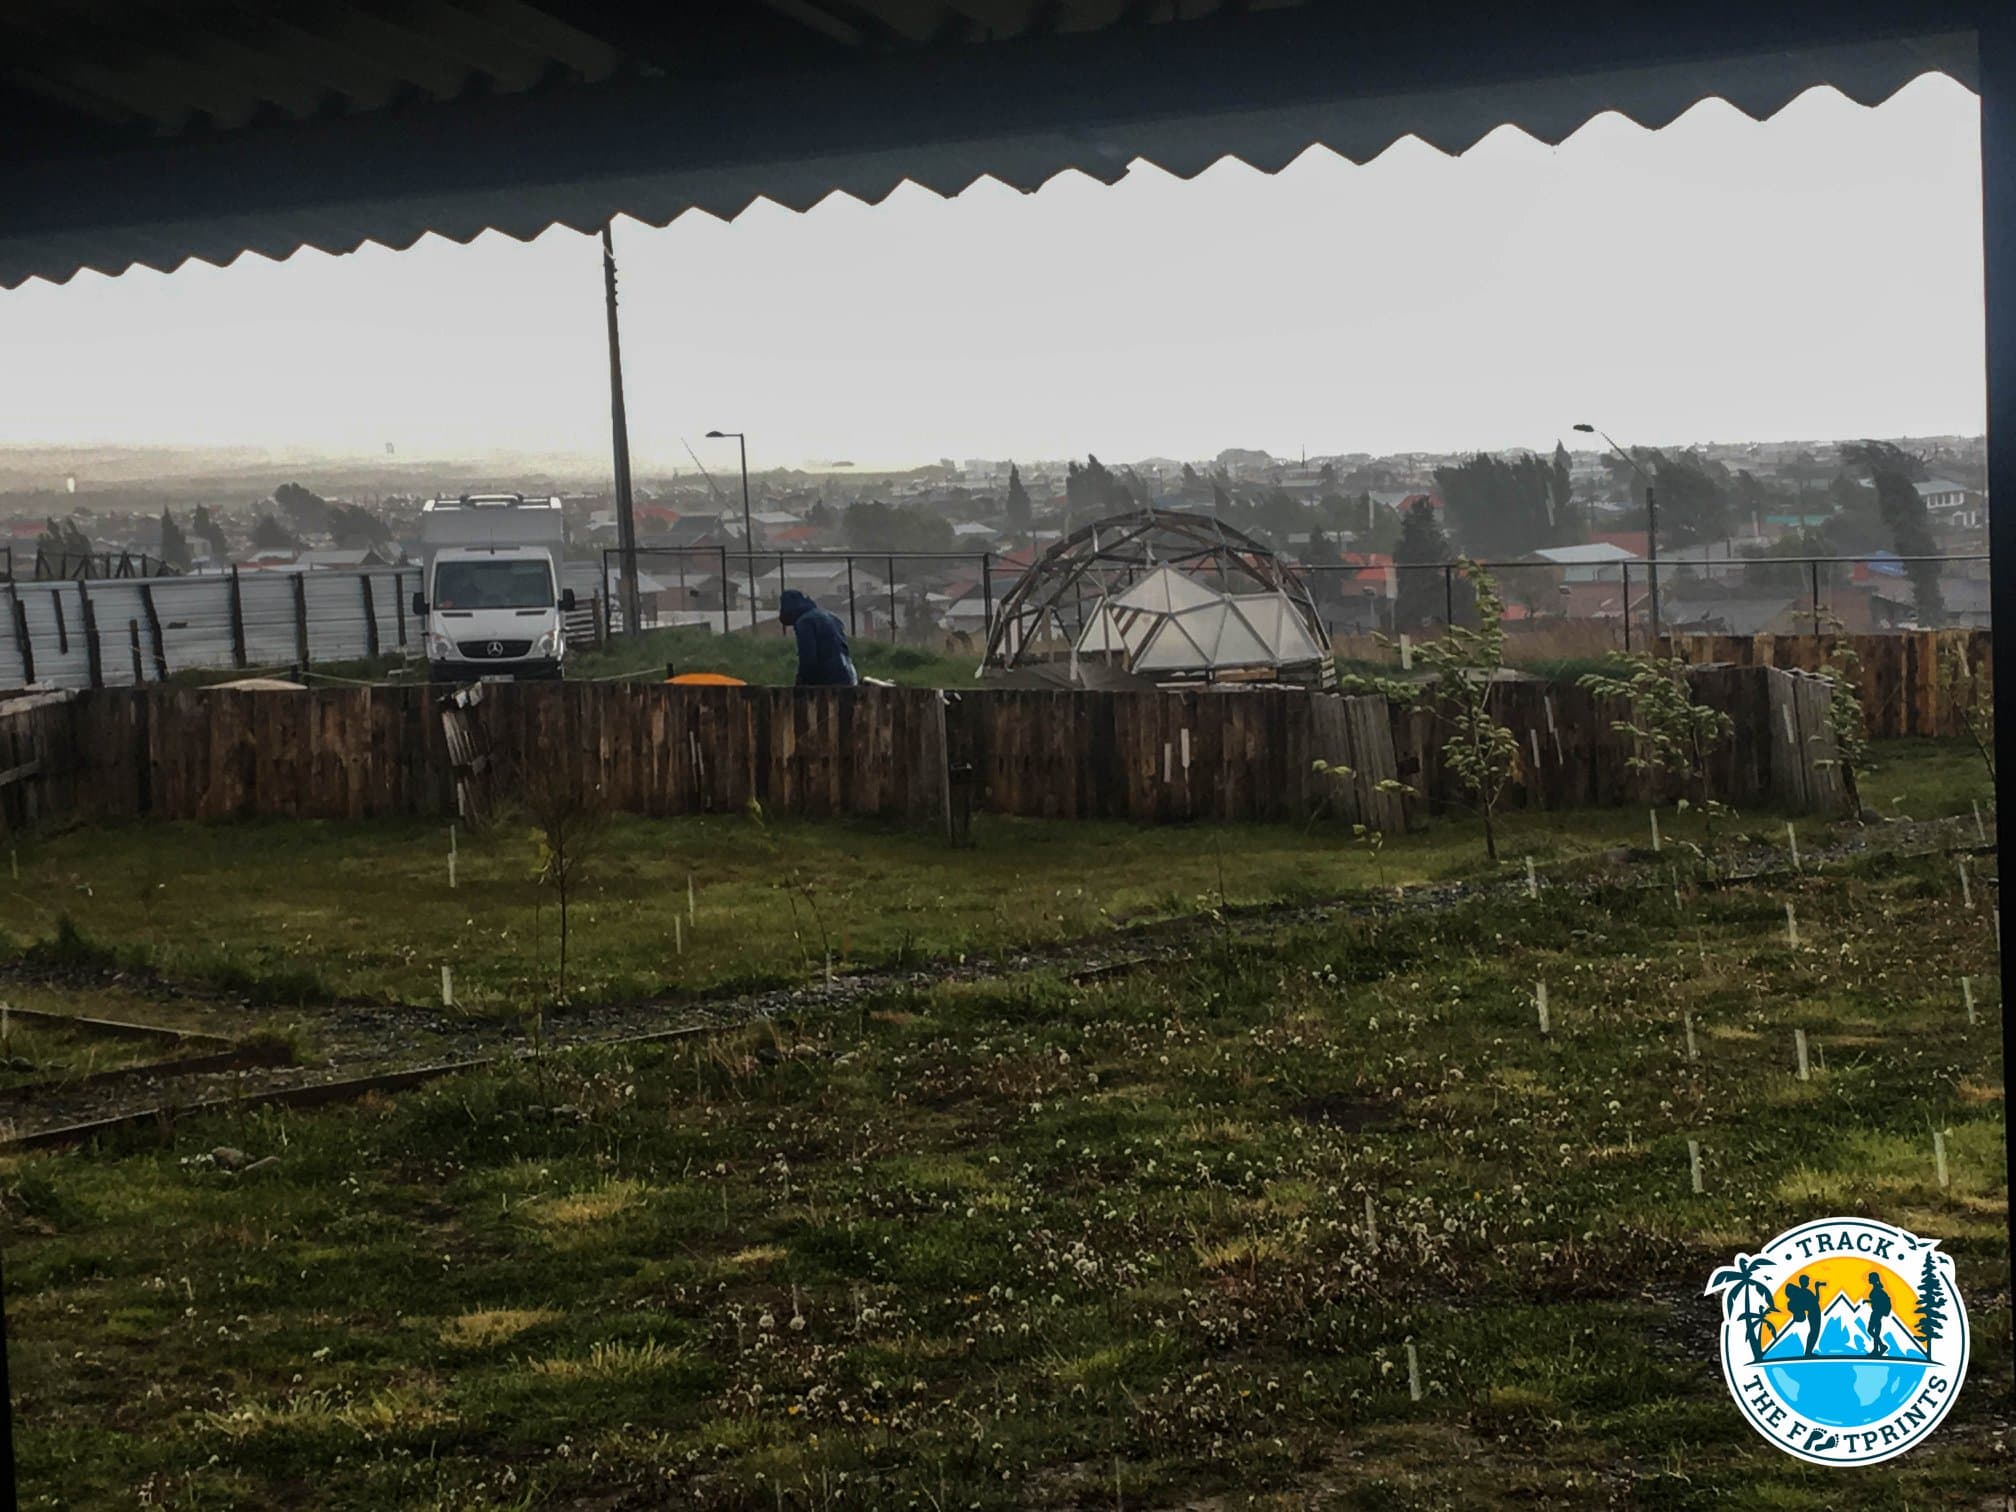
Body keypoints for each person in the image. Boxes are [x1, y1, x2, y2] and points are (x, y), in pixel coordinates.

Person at [780, 589, 858, 688]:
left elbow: (808, 659)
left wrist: (801, 683)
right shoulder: (831, 617)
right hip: (849, 676)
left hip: (829, 679)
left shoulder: (805, 622)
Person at [1785, 1275, 1825, 1355]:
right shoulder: (1805, 1292)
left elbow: (1814, 1300)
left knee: (1813, 1332)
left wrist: (1816, 1288)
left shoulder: (1804, 1291)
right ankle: (1808, 1352)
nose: (1808, 1283)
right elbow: (1816, 1300)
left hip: (1814, 1313)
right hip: (1814, 1313)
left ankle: (1808, 1352)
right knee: (1814, 1333)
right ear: (1803, 1282)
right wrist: (1816, 1288)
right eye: (1807, 1281)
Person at [1865, 1272, 1894, 1357]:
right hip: (1877, 1313)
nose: (1868, 1279)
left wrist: (1871, 1301)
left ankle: (1880, 1347)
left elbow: (1878, 1301)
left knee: (1870, 1330)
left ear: (1873, 1279)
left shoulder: (1877, 1289)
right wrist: (1868, 1301)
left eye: (1869, 1278)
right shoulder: (1877, 1288)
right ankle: (1878, 1348)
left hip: (1876, 1313)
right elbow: (1876, 1300)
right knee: (1875, 1332)